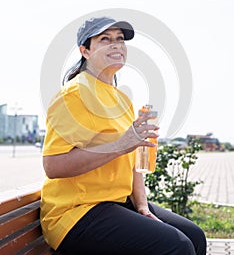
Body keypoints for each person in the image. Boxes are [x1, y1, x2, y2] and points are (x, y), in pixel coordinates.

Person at [40, 16, 207, 255]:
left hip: (118, 202)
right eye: (105, 39)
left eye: (120, 39)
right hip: (77, 212)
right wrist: (120, 145)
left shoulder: (122, 99)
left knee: (195, 236)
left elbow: (133, 165)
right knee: (177, 246)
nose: (116, 44)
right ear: (85, 51)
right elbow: (53, 166)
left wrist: (142, 206)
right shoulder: (74, 95)